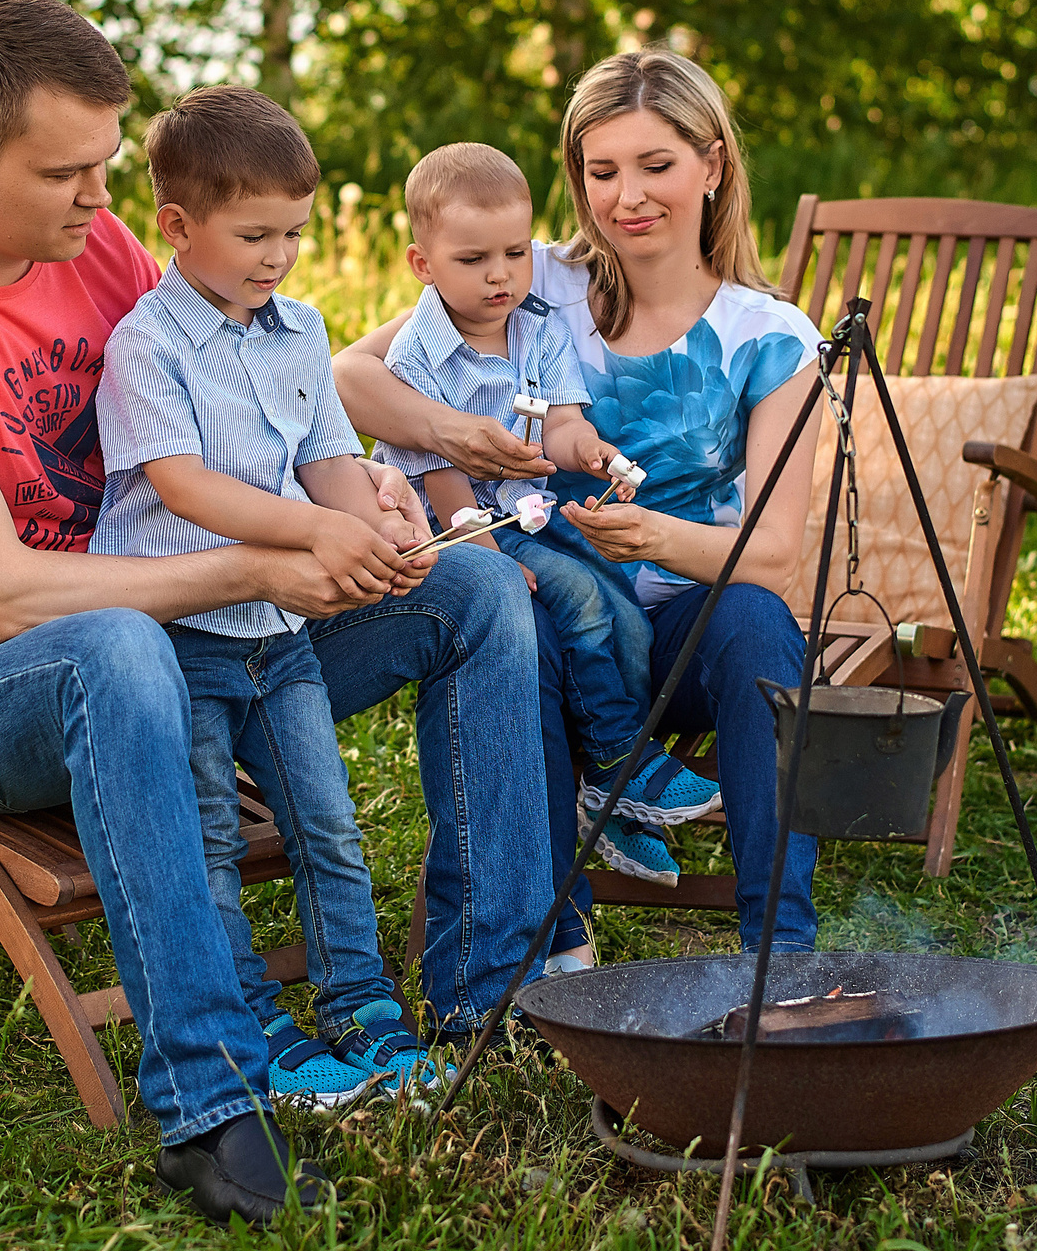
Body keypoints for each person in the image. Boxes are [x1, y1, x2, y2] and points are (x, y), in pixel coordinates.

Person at [0, 0, 550, 1226]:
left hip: (193, 637)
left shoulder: (87, 247)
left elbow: (223, 391)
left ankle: (484, 1000)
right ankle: (213, 1106)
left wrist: (362, 487)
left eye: (105, 166)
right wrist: (261, 567)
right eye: (68, 173)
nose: (103, 203)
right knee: (114, 650)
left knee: (471, 583)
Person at [335, 50, 823, 966]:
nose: (627, 196)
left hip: (683, 619)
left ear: (712, 166)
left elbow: (774, 555)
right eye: (602, 172)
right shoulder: (527, 279)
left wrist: (655, 537)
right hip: (541, 602)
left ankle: (780, 951)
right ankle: (557, 940)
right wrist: (456, 434)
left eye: (656, 166)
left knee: (758, 623)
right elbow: (349, 378)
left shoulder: (771, 337)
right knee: (520, 626)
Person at [90, 86, 442, 1107]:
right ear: (177, 224)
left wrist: (373, 532)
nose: (277, 254)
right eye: (253, 234)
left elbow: (332, 456)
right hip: (182, 638)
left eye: (294, 231)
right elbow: (183, 484)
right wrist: (318, 529)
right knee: (208, 839)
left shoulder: (301, 330)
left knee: (324, 821)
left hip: (279, 632)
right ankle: (251, 1016)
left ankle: (361, 999)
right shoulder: (146, 344)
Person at [367, 142, 722, 896]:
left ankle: (607, 786)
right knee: (580, 598)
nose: (499, 274)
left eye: (513, 253)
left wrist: (584, 447)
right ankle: (626, 763)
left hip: (526, 508)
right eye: (472, 259)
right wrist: (490, 552)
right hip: (455, 532)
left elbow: (558, 425)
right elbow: (434, 472)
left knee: (620, 598)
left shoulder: (535, 327)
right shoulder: (417, 353)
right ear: (422, 263)